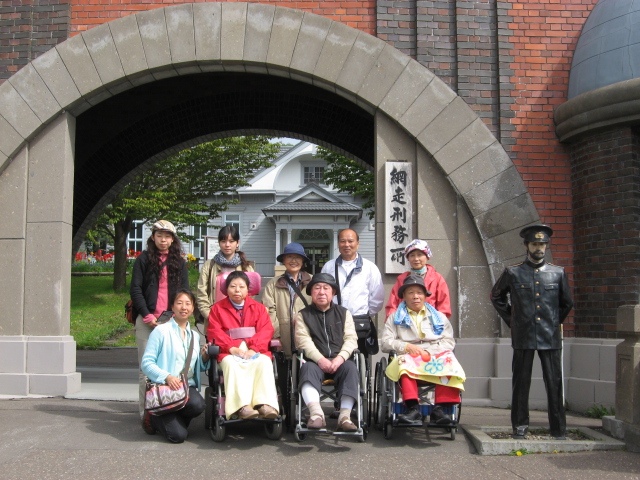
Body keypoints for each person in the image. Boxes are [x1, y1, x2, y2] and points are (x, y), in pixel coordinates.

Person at [490, 224, 574, 440]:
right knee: (521, 382)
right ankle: (519, 426)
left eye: (542, 244)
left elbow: (566, 303)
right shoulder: (513, 272)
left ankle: (558, 429)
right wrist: (513, 320)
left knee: (554, 383)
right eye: (535, 244)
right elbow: (496, 296)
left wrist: (554, 322)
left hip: (550, 336)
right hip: (523, 335)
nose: (539, 248)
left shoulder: (557, 273)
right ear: (526, 245)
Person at [382, 275, 465, 424]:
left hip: (434, 352)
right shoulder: (394, 318)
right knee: (405, 363)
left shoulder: (439, 317)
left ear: (425, 296)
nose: (415, 296)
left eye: (419, 293)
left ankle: (440, 408)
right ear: (403, 296)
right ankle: (413, 408)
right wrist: (405, 346)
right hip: (408, 354)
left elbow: (448, 341)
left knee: (450, 361)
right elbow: (386, 343)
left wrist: (430, 352)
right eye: (411, 293)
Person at [130, 220, 190, 418]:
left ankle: (169, 407)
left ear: (173, 239)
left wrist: (176, 316)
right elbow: (136, 289)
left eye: (167, 236)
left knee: (170, 367)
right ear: (153, 237)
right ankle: (146, 414)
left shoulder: (179, 262)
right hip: (147, 321)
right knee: (145, 369)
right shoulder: (144, 259)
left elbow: (184, 292)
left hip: (170, 322)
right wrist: (147, 315)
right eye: (159, 236)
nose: (163, 240)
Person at [206, 271, 279, 420]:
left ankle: (264, 404)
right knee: (231, 364)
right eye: (233, 286)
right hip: (229, 351)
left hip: (254, 349)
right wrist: (231, 348)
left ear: (248, 289)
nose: (237, 290)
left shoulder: (258, 308)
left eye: (241, 286)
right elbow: (214, 331)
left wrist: (254, 349)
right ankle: (241, 407)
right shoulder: (217, 309)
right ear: (226, 289)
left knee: (264, 362)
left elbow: (266, 330)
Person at [141, 288, 210, 443]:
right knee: (178, 437)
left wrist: (204, 357)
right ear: (172, 307)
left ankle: (171, 418)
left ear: (193, 308)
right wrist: (167, 377)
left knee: (198, 405)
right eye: (179, 303)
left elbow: (195, 367)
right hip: (165, 387)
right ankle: (154, 418)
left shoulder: (194, 335)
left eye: (188, 304)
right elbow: (146, 363)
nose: (183, 307)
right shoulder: (161, 331)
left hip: (185, 387)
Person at [294, 273, 359, 431]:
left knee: (351, 368)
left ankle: (344, 417)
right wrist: (320, 359)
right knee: (307, 369)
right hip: (315, 362)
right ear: (311, 292)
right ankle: (316, 415)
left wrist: (340, 358)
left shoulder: (344, 313)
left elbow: (351, 339)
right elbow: (303, 341)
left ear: (333, 292)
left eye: (326, 288)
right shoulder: (303, 315)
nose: (321, 292)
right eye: (317, 288)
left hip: (340, 361)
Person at [321, 228, 384, 354]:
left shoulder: (369, 267)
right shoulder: (329, 266)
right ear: (338, 244)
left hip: (359, 321)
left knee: (359, 356)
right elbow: (322, 293)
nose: (347, 245)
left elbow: (377, 297)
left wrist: (365, 313)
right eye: (343, 241)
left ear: (358, 243)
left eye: (351, 241)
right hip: (333, 321)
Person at [196, 226, 253, 330]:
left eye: (231, 241)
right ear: (219, 243)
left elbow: (251, 295)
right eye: (223, 241)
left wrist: (244, 316)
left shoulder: (246, 267)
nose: (227, 245)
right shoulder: (209, 266)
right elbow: (201, 293)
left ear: (237, 243)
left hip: (239, 322)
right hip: (214, 320)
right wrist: (210, 316)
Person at [262, 242, 312, 357]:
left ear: (303, 261)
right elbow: (269, 312)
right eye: (289, 257)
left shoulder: (313, 282)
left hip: (308, 336)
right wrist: (276, 336)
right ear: (284, 260)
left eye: (298, 257)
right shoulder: (273, 284)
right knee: (284, 367)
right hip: (283, 335)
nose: (293, 261)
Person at [385, 238, 451, 318]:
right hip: (404, 324)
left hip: (430, 324)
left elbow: (444, 306)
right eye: (412, 255)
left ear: (427, 256)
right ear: (408, 258)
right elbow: (392, 305)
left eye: (420, 255)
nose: (416, 259)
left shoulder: (437, 279)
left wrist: (438, 324)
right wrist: (393, 322)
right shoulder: (402, 279)